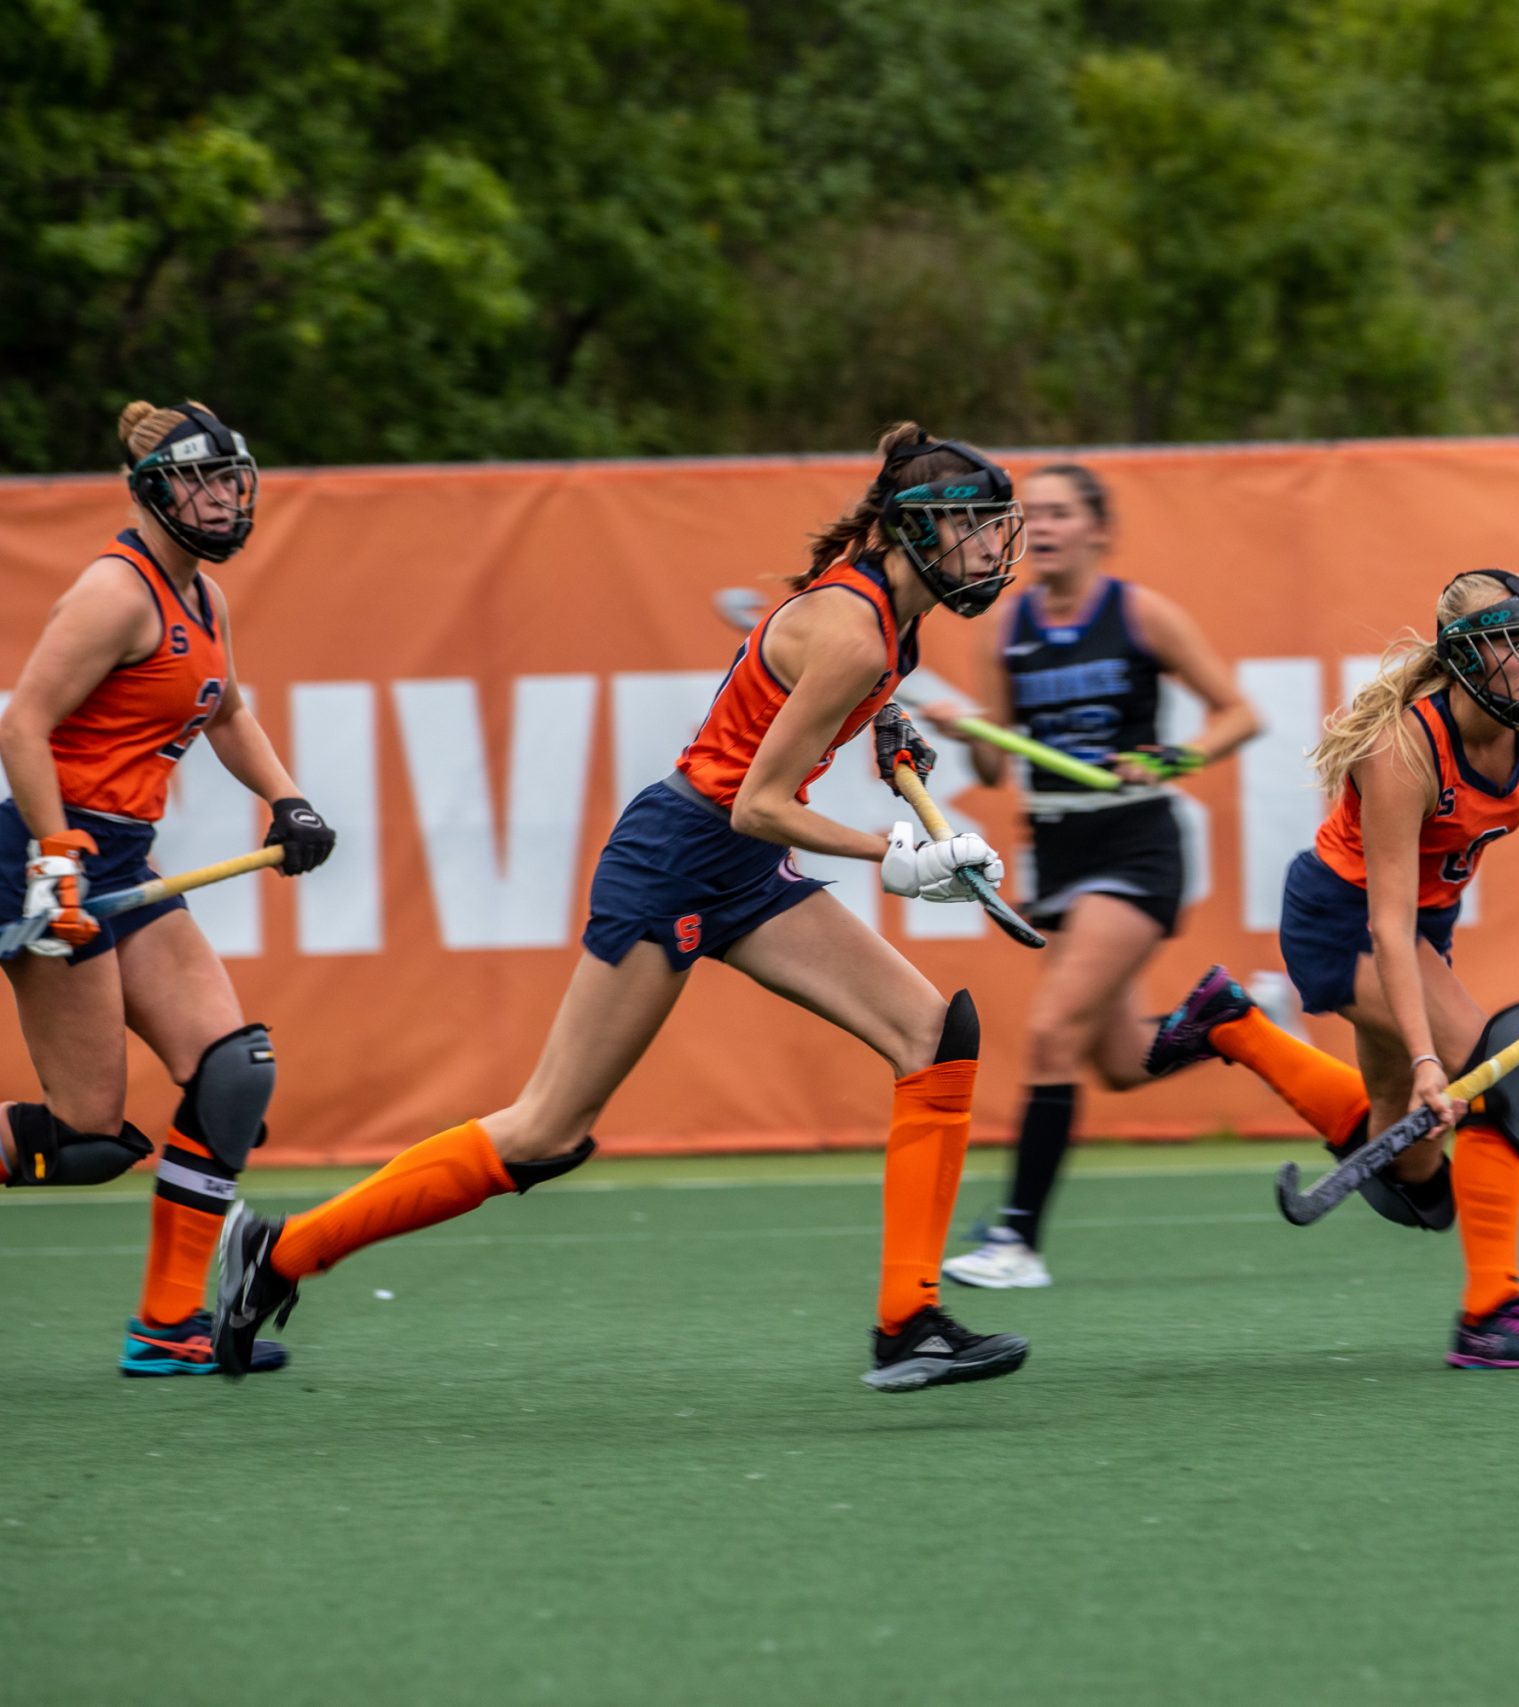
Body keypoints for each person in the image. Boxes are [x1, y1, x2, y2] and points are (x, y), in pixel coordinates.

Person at [214, 424, 1032, 1392]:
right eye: (976, 528)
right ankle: (279, 1254)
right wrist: (899, 854)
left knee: (937, 1037)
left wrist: (883, 725)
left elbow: (794, 714)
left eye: (993, 528)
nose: (992, 549)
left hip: (738, 865)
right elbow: (757, 799)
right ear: (918, 532)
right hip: (682, 856)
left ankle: (909, 1324)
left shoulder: (888, 622)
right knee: (547, 1129)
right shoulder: (857, 631)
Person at [1148, 570, 1519, 1368]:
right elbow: (1385, 926)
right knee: (1501, 1071)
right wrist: (1430, 1060)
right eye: (1509, 645)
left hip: (1425, 924)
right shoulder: (1402, 750)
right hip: (1343, 919)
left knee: (1416, 1183)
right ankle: (1491, 1314)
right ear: (1463, 659)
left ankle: (1233, 1023)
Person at [0, 399, 335, 1376]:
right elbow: (22, 726)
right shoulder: (115, 594)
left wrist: (288, 798)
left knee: (233, 1076)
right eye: (201, 481)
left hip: (121, 860)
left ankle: (167, 1329)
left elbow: (225, 710)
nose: (223, 499)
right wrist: (56, 857)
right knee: (88, 1139)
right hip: (43, 857)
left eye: (232, 480)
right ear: (153, 493)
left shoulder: (204, 598)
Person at [923, 464, 1261, 1290]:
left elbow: (1240, 712)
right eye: (1028, 515)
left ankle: (1017, 1238)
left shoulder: (1139, 613)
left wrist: (1170, 757)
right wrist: (971, 730)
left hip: (1136, 846)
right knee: (1113, 1060)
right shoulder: (1003, 629)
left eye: (1060, 513)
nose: (1040, 527)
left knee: (1049, 1034)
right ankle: (1234, 1020)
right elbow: (996, 768)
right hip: (1057, 852)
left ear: (1099, 528)